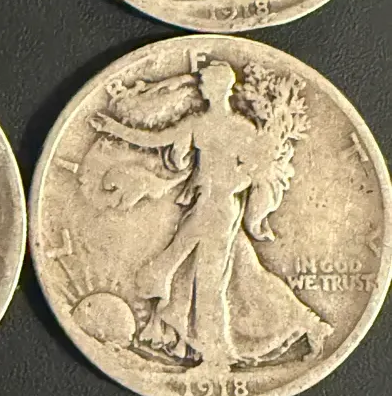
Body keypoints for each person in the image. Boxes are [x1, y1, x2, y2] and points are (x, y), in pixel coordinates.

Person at [90, 62, 331, 367]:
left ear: (219, 87)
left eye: (205, 83)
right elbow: (155, 139)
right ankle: (309, 324)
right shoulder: (200, 124)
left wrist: (230, 185)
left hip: (220, 210)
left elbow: (255, 171)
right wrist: (114, 128)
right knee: (244, 274)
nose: (201, 87)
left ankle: (215, 355)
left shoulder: (242, 129)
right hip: (206, 206)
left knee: (206, 282)